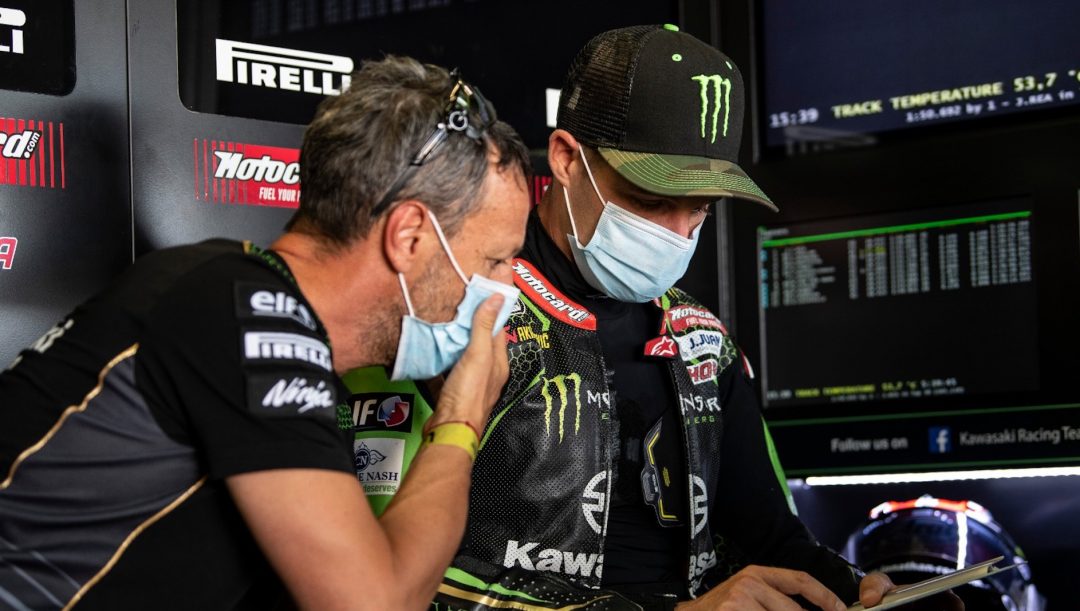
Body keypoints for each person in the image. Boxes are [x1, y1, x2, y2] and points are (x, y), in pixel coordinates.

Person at [419, 26, 962, 611]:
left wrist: (861, 592)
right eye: (650, 201)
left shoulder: (702, 339)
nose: (677, 233)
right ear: (567, 159)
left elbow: (772, 541)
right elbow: (385, 581)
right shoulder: (455, 316)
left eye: (700, 207)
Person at [0, 56, 531, 610]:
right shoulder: (245, 310)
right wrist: (461, 420)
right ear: (410, 237)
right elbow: (374, 604)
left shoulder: (246, 308)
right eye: (496, 260)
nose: (508, 288)